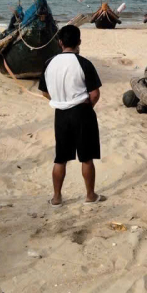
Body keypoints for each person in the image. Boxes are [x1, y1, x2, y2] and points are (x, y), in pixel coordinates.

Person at [38, 25, 104, 207]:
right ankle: (90, 195)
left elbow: (44, 92)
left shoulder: (49, 63)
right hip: (82, 112)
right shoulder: (83, 63)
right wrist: (87, 107)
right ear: (79, 42)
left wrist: (60, 99)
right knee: (86, 157)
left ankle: (57, 197)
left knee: (61, 157)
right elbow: (95, 94)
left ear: (60, 43)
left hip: (61, 113)